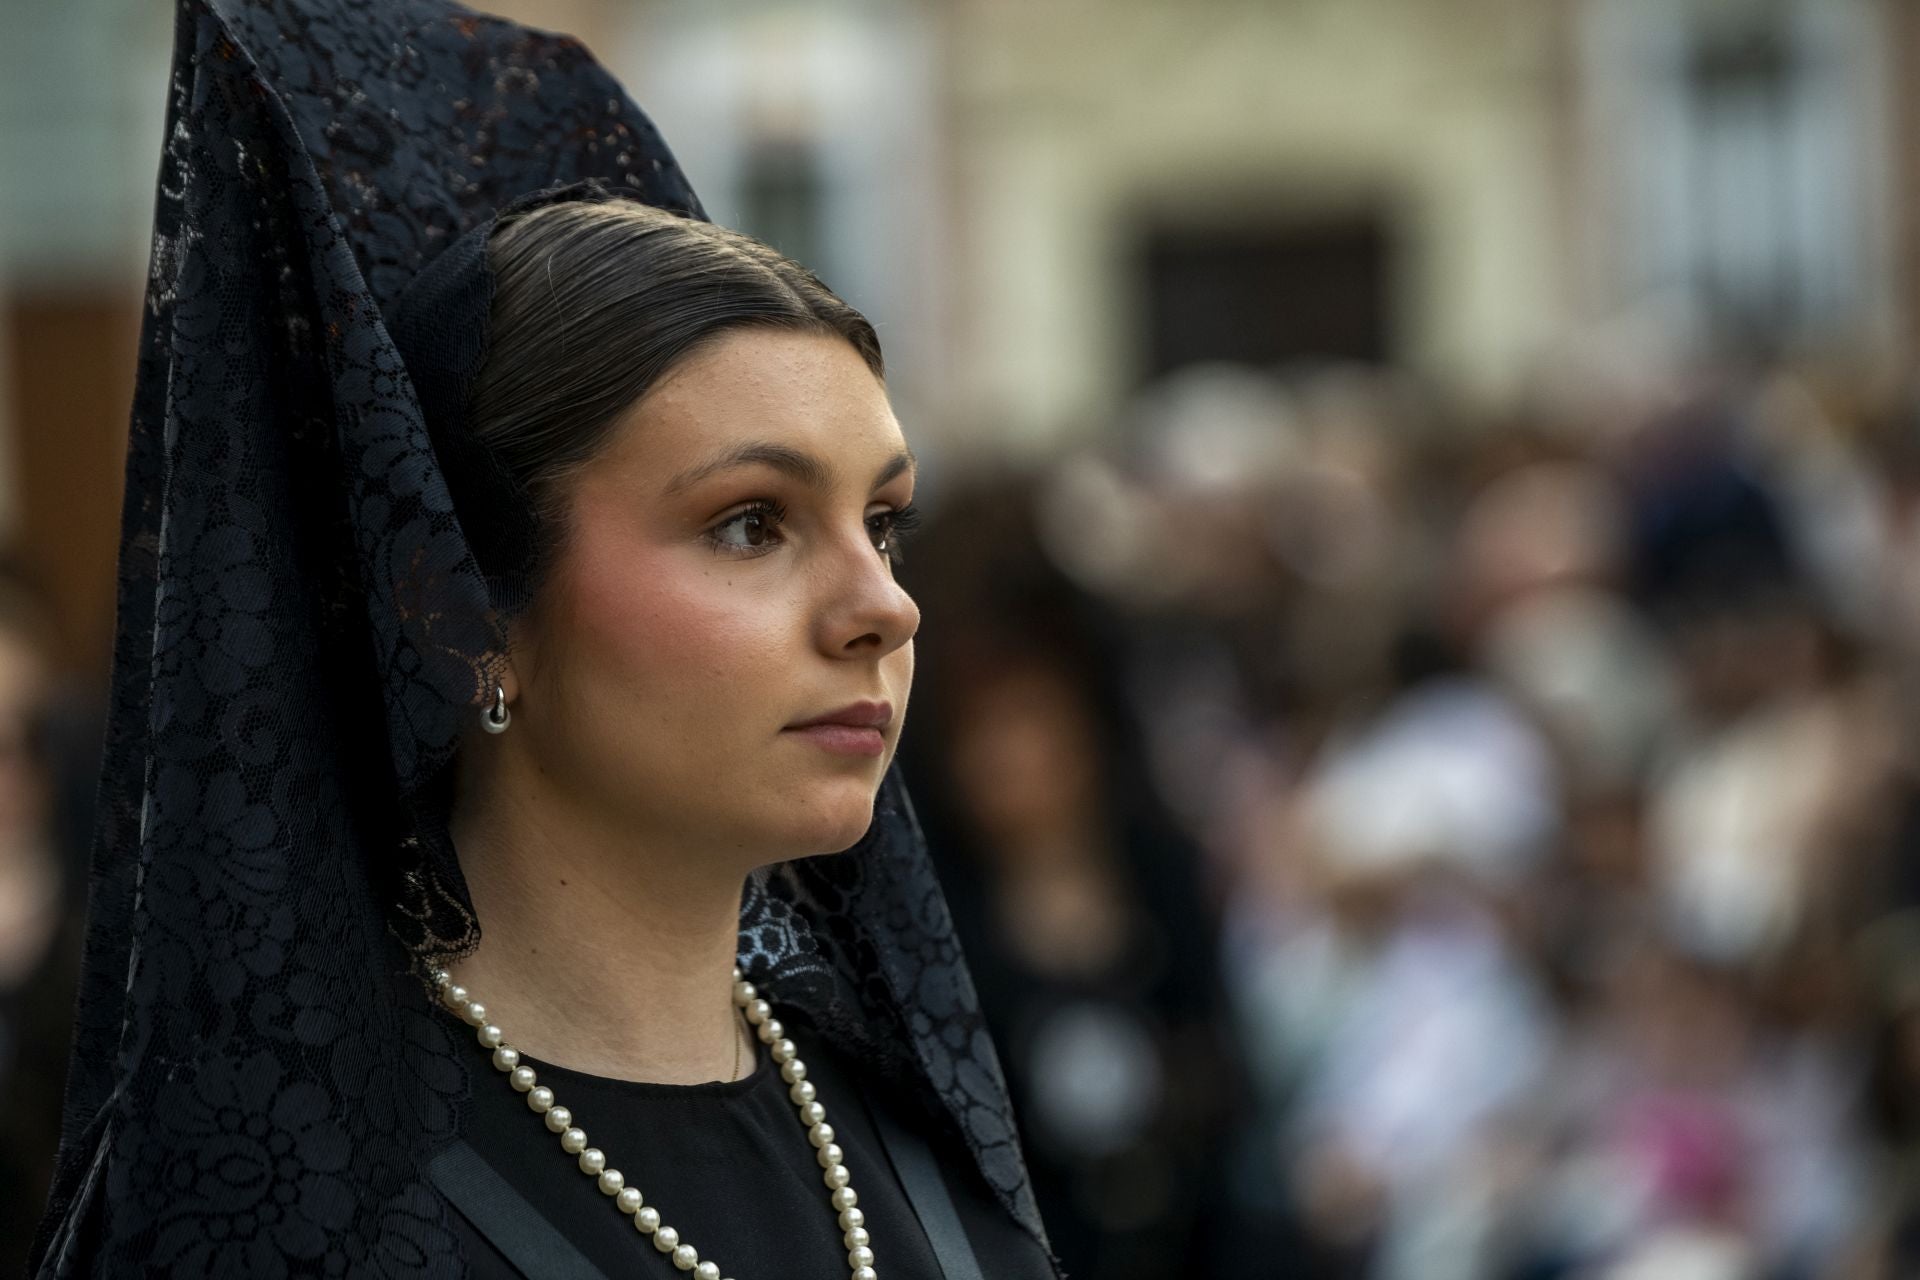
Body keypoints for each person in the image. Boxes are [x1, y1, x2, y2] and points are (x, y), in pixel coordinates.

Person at [29, 1, 1056, 1277]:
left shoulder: (914, 1136)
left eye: (885, 522)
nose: (885, 607)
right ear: (467, 615)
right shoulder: (302, 1218)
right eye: (751, 522)